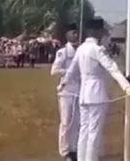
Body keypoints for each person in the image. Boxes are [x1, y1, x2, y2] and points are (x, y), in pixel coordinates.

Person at [59, 17, 130, 161]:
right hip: (96, 94)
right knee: (93, 132)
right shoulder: (97, 49)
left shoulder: (81, 48)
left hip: (83, 95)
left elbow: (71, 71)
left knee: (84, 131)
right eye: (101, 30)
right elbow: (112, 68)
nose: (103, 33)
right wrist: (127, 87)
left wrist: (63, 84)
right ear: (96, 31)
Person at [51, 27, 80, 161]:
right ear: (67, 35)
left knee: (77, 122)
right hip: (66, 91)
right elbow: (54, 71)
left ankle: (74, 149)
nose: (76, 35)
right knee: (66, 122)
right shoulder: (62, 52)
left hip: (79, 91)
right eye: (73, 32)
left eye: (77, 32)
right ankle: (65, 151)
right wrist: (68, 71)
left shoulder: (81, 50)